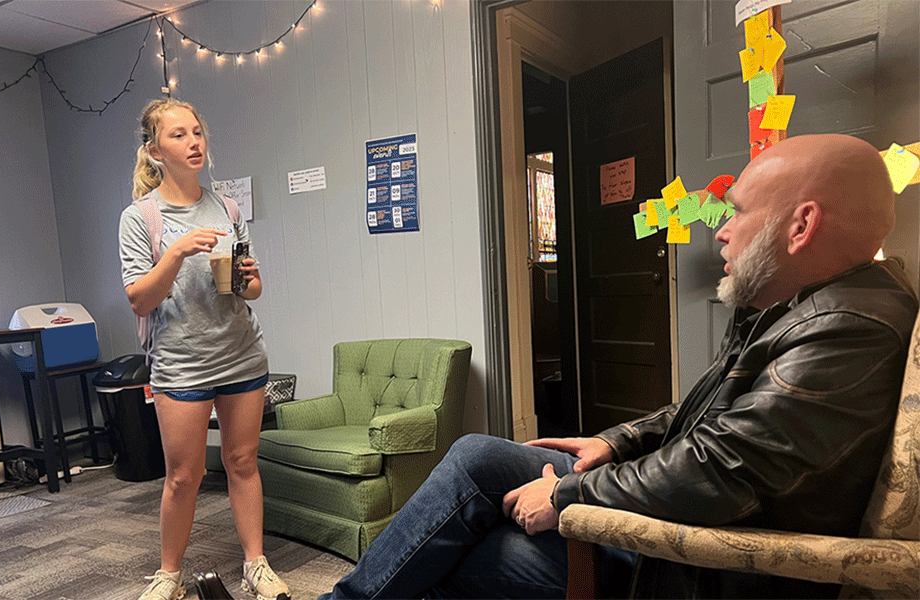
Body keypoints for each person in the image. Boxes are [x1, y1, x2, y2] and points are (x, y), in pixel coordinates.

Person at [319, 134, 919, 600]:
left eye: (737, 214)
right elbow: (703, 418)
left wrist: (568, 495)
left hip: (699, 564)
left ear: (802, 225)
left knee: (469, 552)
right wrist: (614, 441)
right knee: (477, 456)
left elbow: (719, 470)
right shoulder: (804, 304)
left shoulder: (846, 329)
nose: (723, 234)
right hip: (679, 522)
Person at [119, 98, 290, 600]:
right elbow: (139, 299)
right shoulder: (140, 218)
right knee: (183, 477)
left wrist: (251, 280)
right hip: (182, 364)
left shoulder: (226, 207)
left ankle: (255, 564)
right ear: (154, 151)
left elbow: (247, 290)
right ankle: (169, 575)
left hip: (241, 355)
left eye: (197, 132)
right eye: (178, 135)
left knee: (242, 462)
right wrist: (175, 250)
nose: (194, 142)